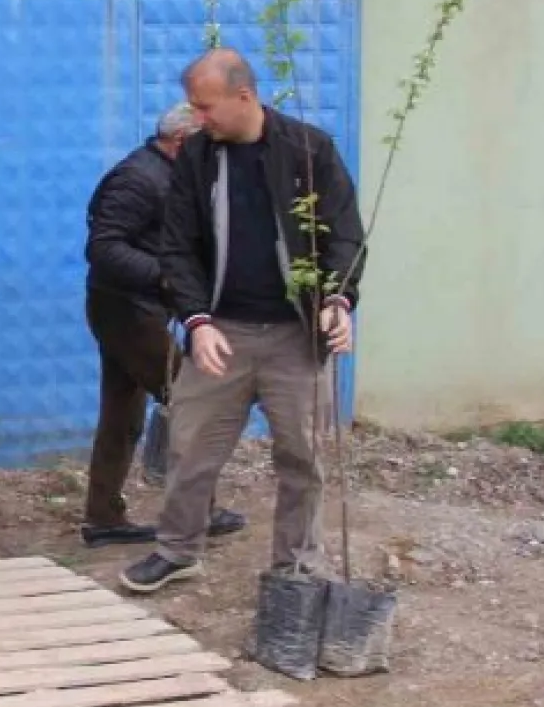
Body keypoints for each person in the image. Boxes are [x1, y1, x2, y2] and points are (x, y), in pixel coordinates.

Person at [119, 48, 366, 593]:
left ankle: (296, 566)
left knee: (302, 456)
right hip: (221, 331)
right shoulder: (198, 158)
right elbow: (176, 246)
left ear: (244, 97)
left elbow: (345, 234)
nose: (196, 118)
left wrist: (338, 301)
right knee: (189, 448)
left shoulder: (309, 150)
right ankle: (178, 549)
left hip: (296, 337)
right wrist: (198, 320)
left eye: (205, 107)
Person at [82, 103, 246, 548]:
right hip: (129, 310)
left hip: (131, 308)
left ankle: (102, 518)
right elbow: (103, 247)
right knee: (191, 399)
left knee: (121, 413)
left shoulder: (167, 174)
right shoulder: (136, 179)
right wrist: (166, 275)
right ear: (181, 141)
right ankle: (198, 512)